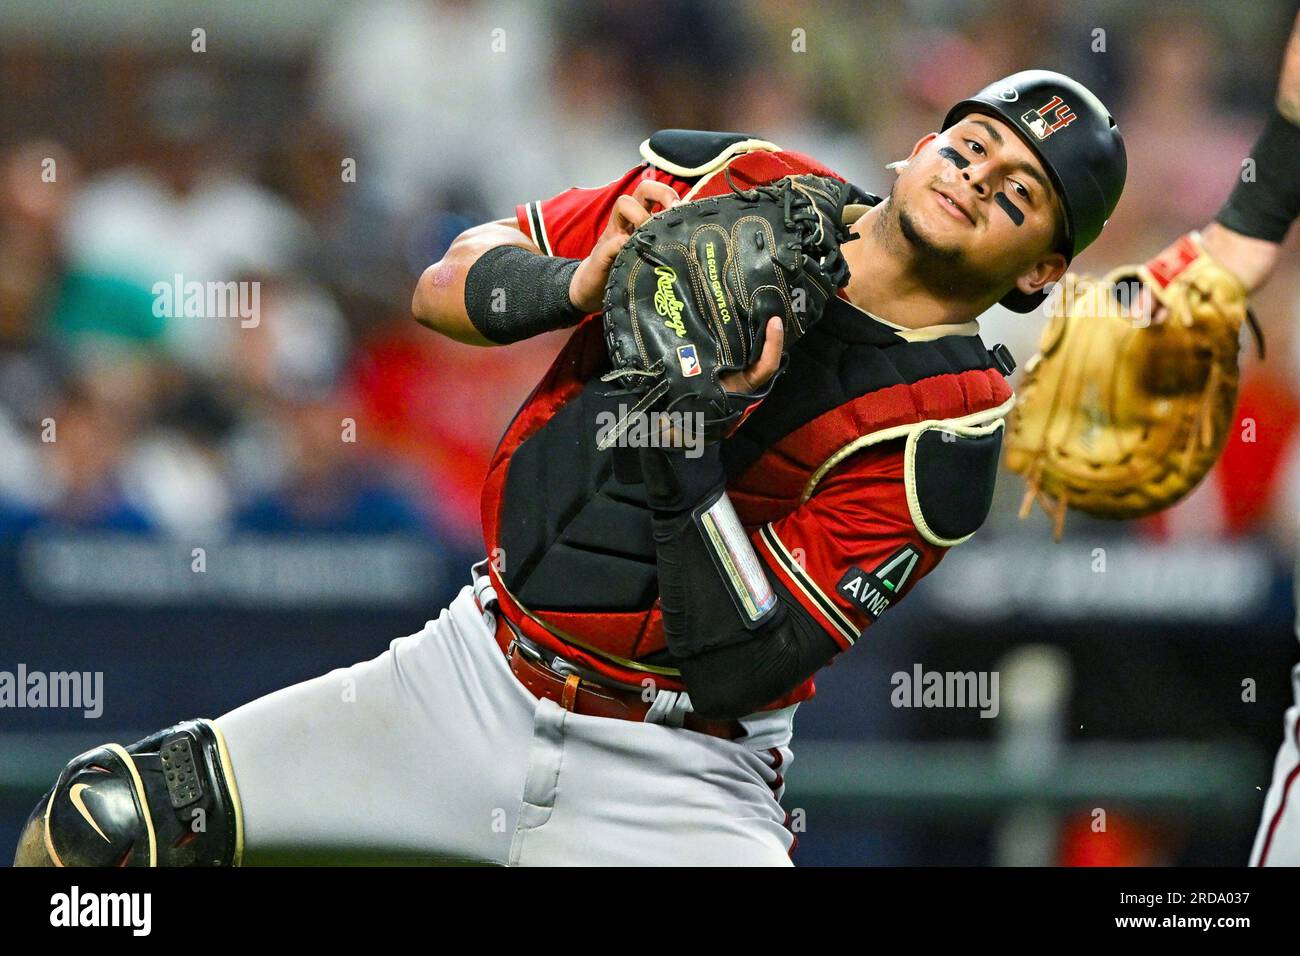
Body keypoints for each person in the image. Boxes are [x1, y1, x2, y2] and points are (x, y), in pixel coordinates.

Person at [14, 70, 1126, 867]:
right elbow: (443, 282)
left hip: (676, 772)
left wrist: (681, 433)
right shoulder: (732, 180)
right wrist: (581, 284)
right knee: (101, 829)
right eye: (972, 144)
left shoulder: (949, 436)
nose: (977, 177)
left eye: (1018, 192)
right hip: (471, 669)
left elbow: (749, 661)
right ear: (923, 143)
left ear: (1038, 270)